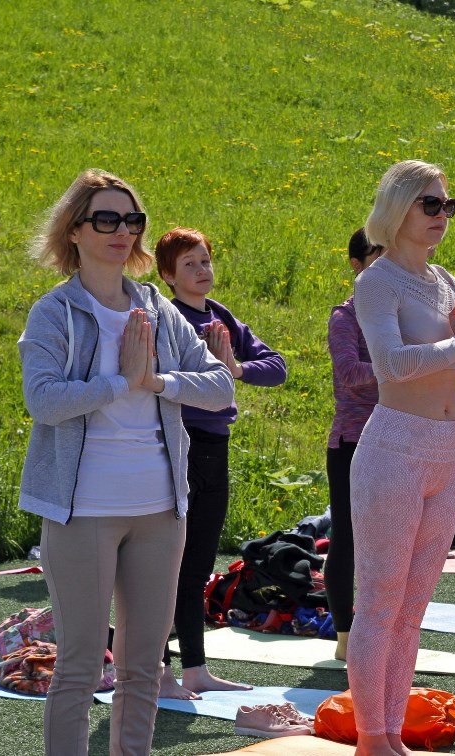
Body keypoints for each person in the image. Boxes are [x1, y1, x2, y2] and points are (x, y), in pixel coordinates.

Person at [17, 170, 234, 755]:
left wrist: (157, 380)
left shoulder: (157, 308)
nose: (121, 231)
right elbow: (43, 400)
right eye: (106, 219)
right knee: (81, 671)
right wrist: (117, 381)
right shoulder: (54, 312)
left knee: (143, 671)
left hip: (161, 511)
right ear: (76, 231)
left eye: (131, 220)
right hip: (82, 511)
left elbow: (220, 387)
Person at [348, 159, 455, 756]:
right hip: (394, 447)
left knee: (414, 607)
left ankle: (393, 734)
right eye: (430, 205)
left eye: (449, 205)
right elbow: (391, 363)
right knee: (380, 601)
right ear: (397, 208)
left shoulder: (445, 282)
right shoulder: (377, 282)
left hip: (449, 449)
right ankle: (373, 738)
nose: (442, 216)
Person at [153, 227, 288, 699]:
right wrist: (207, 366)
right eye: (189, 264)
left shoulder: (222, 318)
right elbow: (158, 377)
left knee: (196, 568)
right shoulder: (165, 318)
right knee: (163, 568)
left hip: (215, 449)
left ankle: (195, 669)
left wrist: (235, 368)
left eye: (205, 261)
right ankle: (157, 672)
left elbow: (277, 366)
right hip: (174, 446)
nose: (201, 271)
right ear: (167, 275)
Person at [325, 228, 382, 662]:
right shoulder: (345, 317)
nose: (384, 263)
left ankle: (382, 631)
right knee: (347, 539)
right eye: (374, 255)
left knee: (390, 541)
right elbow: (348, 372)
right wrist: (404, 366)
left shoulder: (401, 314)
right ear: (356, 265)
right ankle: (345, 634)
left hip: (398, 439)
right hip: (352, 442)